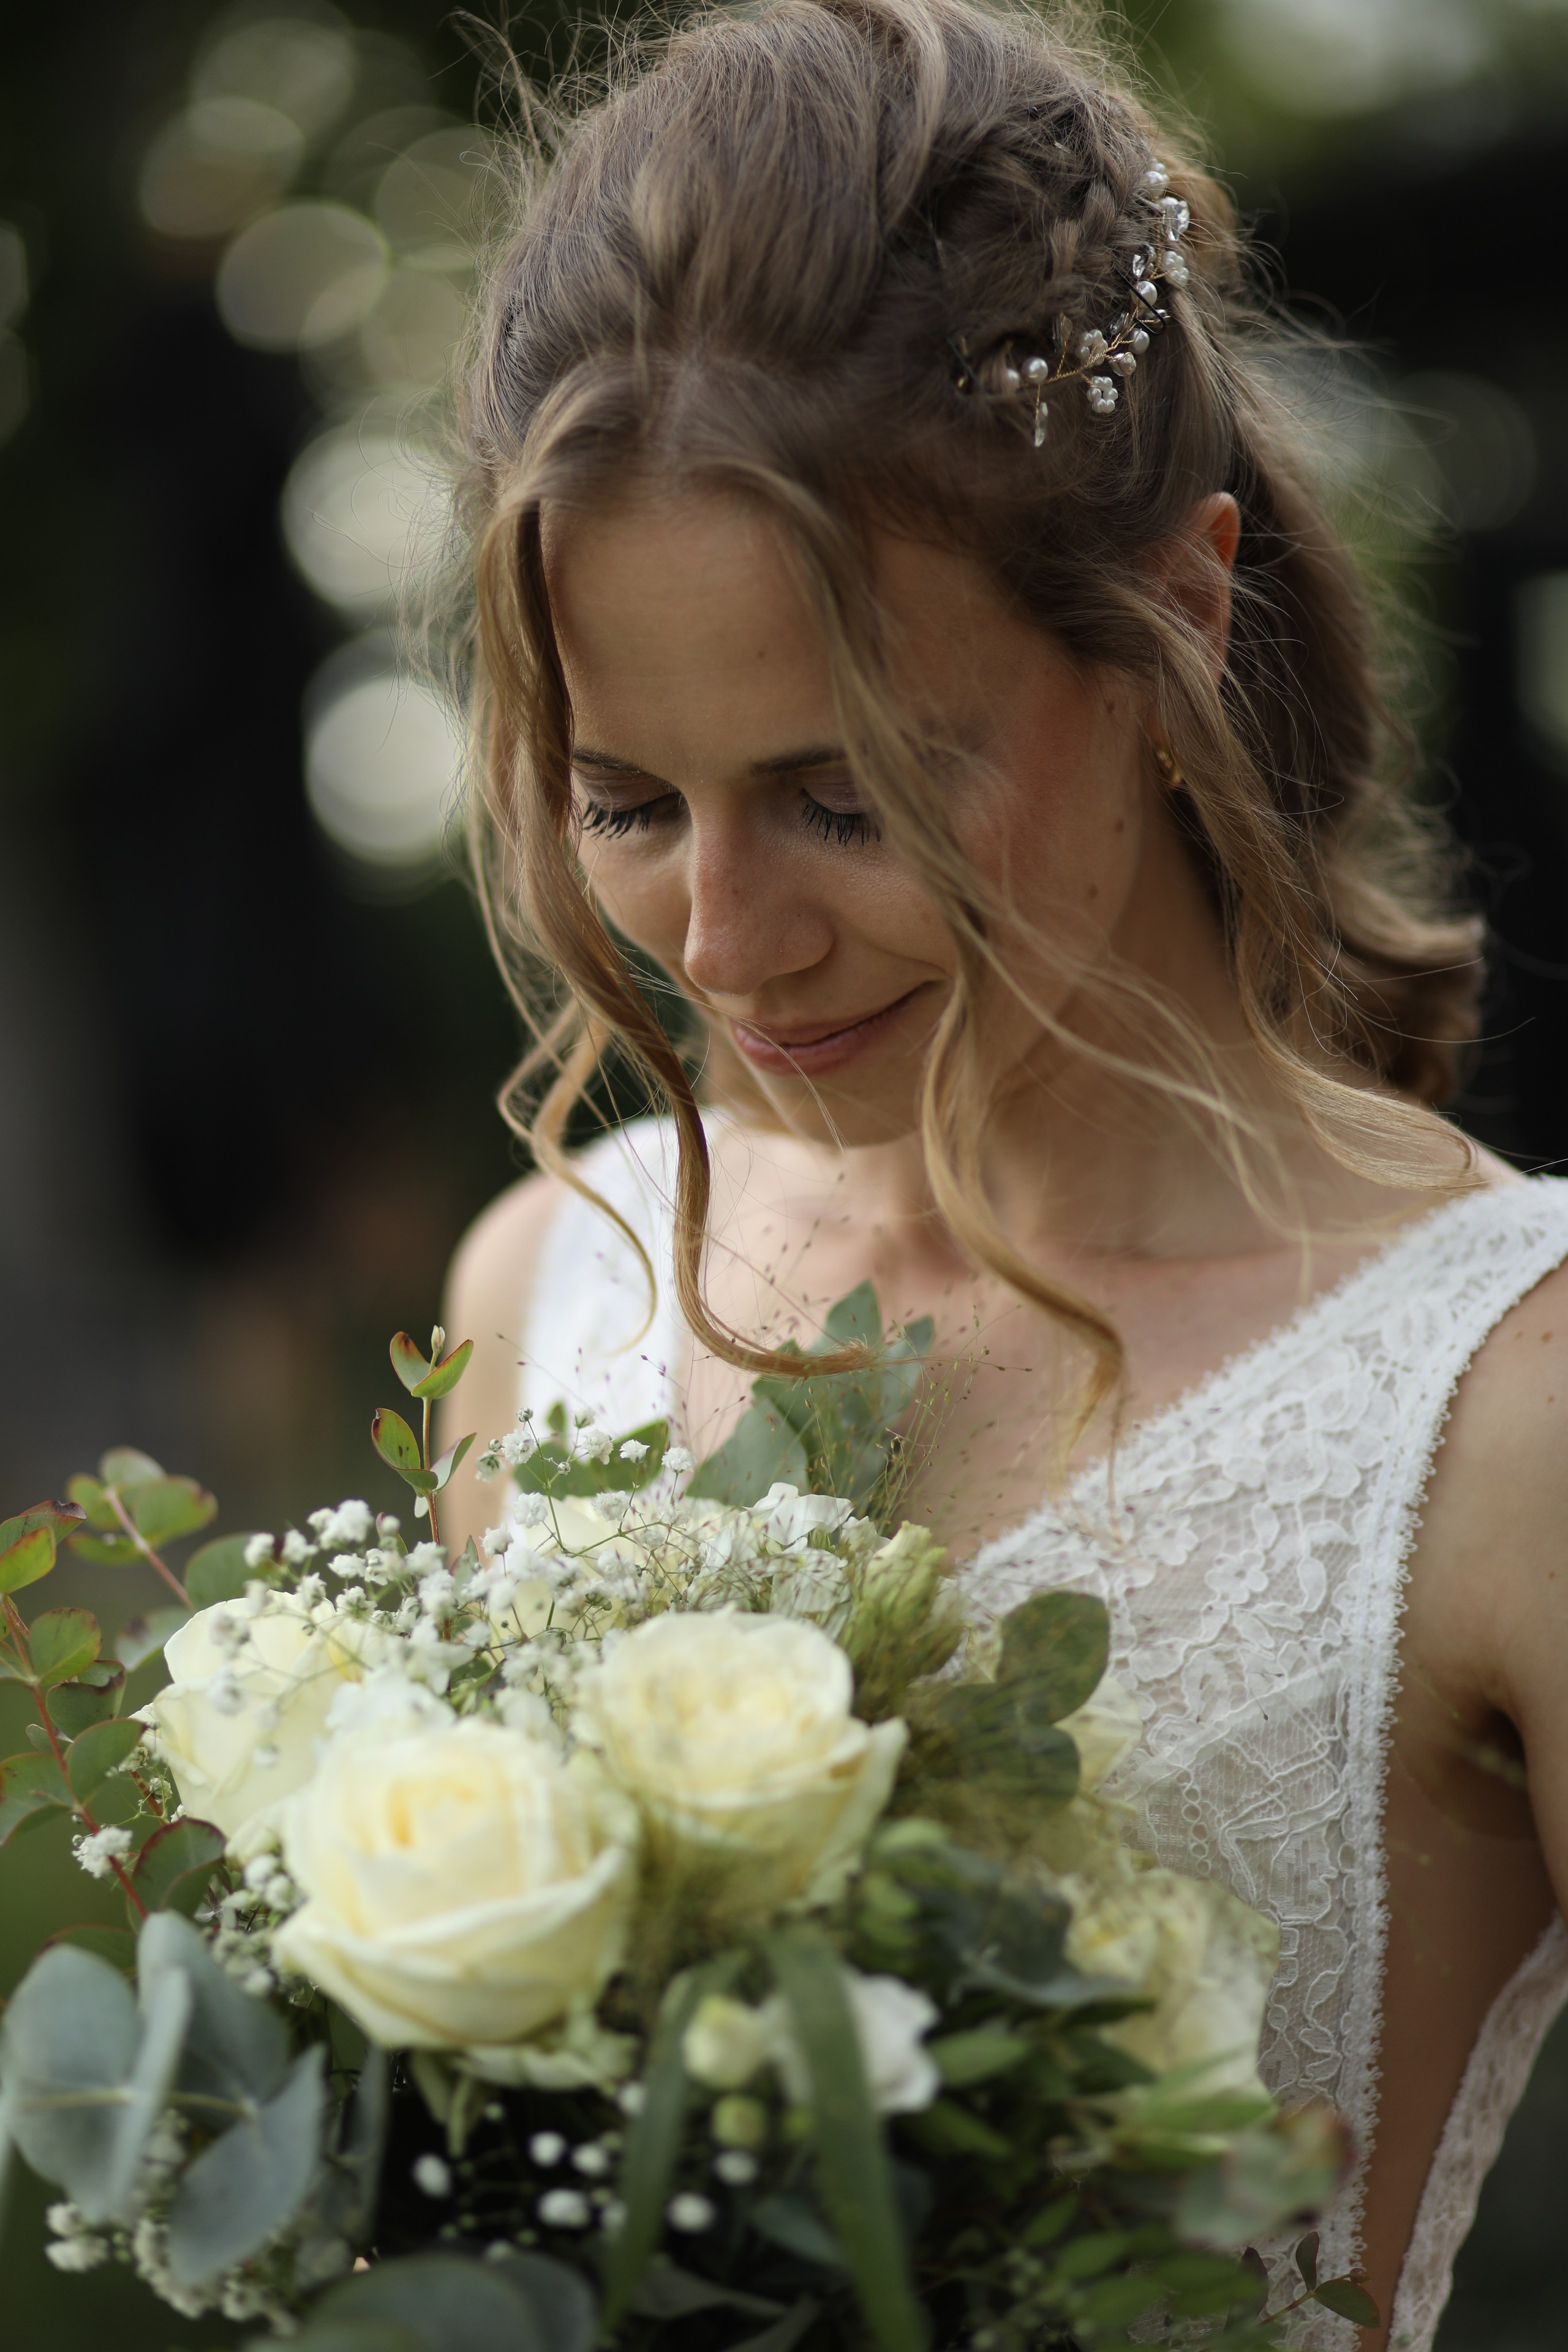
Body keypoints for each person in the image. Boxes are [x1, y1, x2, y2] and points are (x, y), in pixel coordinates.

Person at [436, 2, 1568, 2341]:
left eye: (847, 793)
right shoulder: (546, 1282)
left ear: (1171, 611)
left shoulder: (1515, 1416)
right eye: (632, 805)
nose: (725, 945)